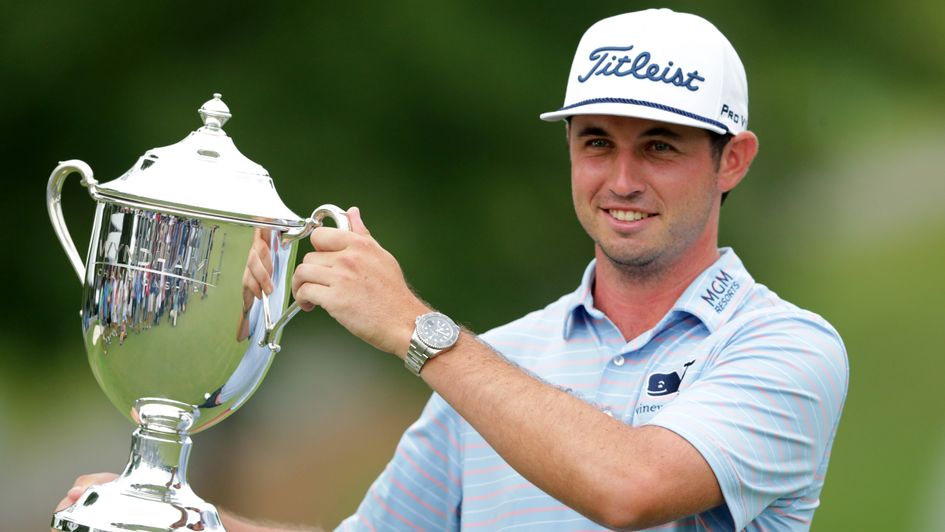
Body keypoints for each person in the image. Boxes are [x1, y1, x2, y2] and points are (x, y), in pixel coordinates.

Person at [56, 8, 848, 531]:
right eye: (596, 142)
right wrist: (167, 516)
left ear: (732, 160)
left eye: (661, 147)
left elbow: (630, 488)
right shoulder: (495, 361)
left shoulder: (786, 349)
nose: (622, 180)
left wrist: (412, 327)